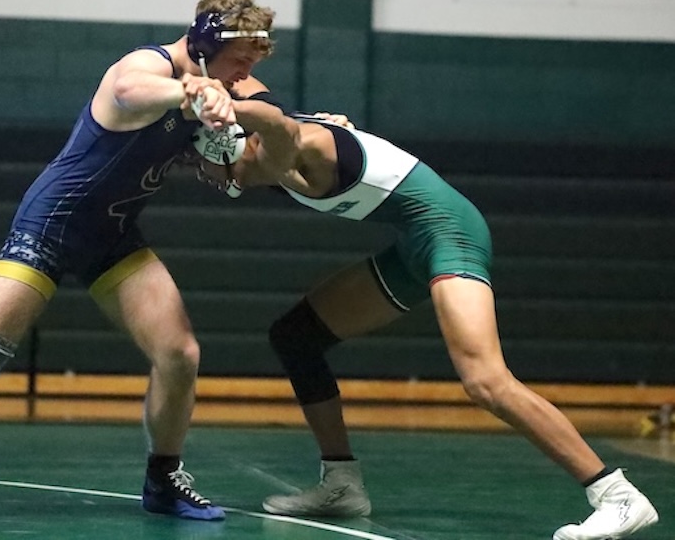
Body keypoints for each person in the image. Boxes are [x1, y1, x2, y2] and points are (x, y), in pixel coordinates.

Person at [0, 0, 275, 522]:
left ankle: (164, 478)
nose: (243, 74)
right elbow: (129, 90)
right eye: (239, 61)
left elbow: (258, 129)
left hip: (111, 235)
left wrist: (311, 131)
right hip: (51, 223)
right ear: (206, 46)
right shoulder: (150, 67)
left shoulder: (219, 84)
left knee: (179, 353)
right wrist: (189, 93)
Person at [180, 91, 660, 539]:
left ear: (227, 143)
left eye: (202, 162)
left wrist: (219, 103)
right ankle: (342, 483)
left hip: (450, 233)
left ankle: (616, 495)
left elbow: (274, 121)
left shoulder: (296, 147)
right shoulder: (273, 155)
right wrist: (207, 93)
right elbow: (256, 97)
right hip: (415, 244)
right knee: (296, 337)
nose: (203, 175)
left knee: (485, 380)